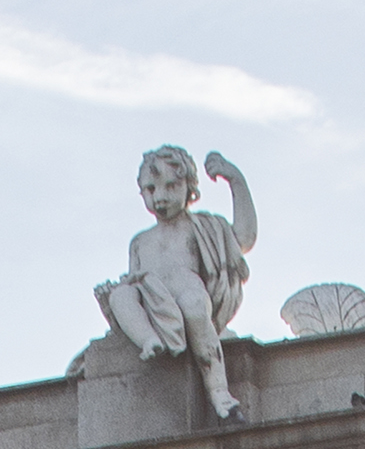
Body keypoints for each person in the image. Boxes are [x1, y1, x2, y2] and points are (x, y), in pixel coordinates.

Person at [93, 143, 260, 422]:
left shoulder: (203, 227)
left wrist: (236, 180)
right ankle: (149, 340)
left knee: (194, 306)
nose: (160, 196)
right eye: (151, 189)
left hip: (188, 289)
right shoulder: (139, 241)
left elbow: (244, 237)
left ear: (190, 188)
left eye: (171, 186)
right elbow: (133, 279)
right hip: (151, 297)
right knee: (121, 296)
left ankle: (219, 391)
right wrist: (111, 296)